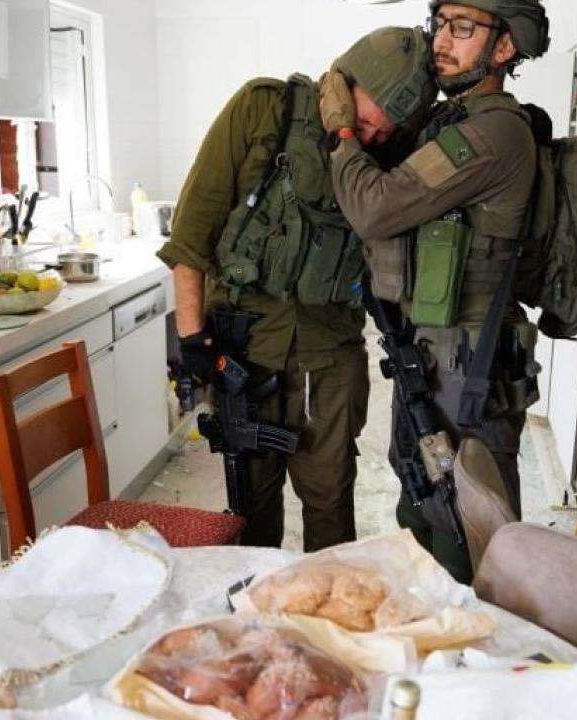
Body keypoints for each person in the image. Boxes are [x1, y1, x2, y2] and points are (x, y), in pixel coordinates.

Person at [158, 27, 438, 551]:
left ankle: (326, 624)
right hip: (245, 350)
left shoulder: (389, 151)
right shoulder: (263, 110)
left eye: (388, 131)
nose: (374, 139)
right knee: (252, 507)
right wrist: (193, 341)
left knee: (331, 503)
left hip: (330, 355)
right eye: (370, 122)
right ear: (343, 84)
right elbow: (192, 233)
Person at [319, 0, 550, 581]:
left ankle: (481, 659)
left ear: (504, 48)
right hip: (433, 357)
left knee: (469, 531)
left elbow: (374, 208)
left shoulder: (493, 131)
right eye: (440, 25)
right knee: (421, 501)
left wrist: (343, 131)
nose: (442, 42)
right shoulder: (450, 123)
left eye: (463, 28)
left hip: (469, 370)